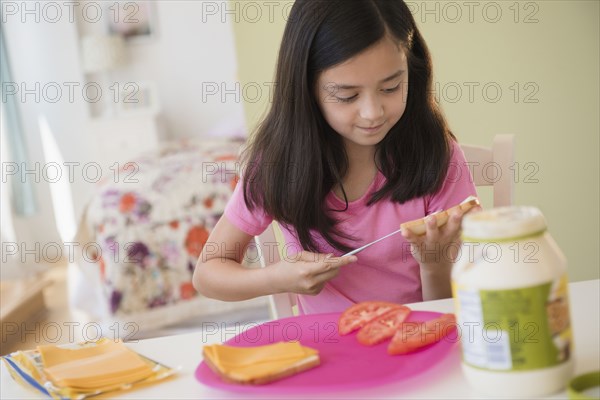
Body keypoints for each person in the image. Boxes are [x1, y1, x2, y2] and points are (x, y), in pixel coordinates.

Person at [193, 0, 478, 314]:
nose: (373, 113)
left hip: (417, 341)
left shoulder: (436, 156)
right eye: (348, 96)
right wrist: (277, 278)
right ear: (307, 89)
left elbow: (452, 312)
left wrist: (435, 264)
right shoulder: (279, 163)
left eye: (391, 87)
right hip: (326, 348)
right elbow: (208, 274)